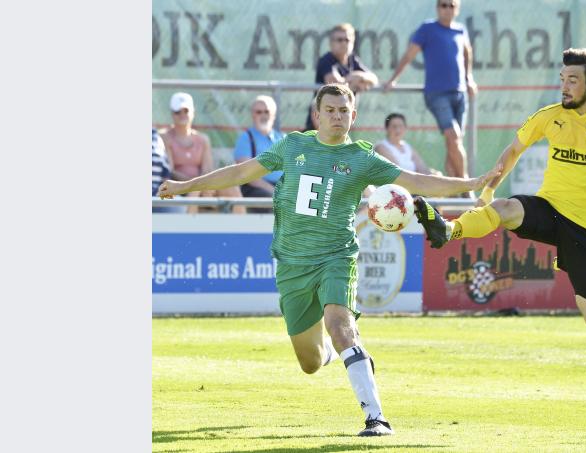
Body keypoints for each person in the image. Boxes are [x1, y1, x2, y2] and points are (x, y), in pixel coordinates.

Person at [158, 84, 499, 436]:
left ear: (353, 116)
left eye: (343, 110)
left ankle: (375, 417)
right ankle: (345, 353)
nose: (337, 116)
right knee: (310, 362)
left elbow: (416, 181)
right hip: (292, 265)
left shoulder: (362, 158)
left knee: (339, 325)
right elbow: (240, 173)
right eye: (330, 110)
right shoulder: (293, 146)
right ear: (316, 115)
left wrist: (472, 182)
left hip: (337, 257)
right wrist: (185, 186)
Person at [413, 48, 586, 329]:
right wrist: (488, 193)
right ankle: (447, 230)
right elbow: (513, 151)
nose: (564, 87)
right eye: (562, 79)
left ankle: (573, 262)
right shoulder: (549, 115)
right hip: (550, 209)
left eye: (572, 80)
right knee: (505, 208)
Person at [384, 0, 478, 181]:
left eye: (451, 5)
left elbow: (467, 53)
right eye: (444, 5)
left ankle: (453, 192)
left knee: (453, 143)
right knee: (454, 137)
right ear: (437, 8)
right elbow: (409, 55)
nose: (447, 9)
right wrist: (393, 79)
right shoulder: (427, 29)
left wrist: (469, 78)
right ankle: (466, 186)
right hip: (437, 93)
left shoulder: (460, 30)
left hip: (459, 93)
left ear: (457, 9)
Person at [160, 92, 245, 214]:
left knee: (232, 189)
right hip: (175, 188)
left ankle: (241, 230)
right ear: (172, 114)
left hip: (200, 185)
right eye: (177, 112)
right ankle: (188, 230)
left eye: (186, 111)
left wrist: (203, 185)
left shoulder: (203, 139)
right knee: (194, 191)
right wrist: (196, 185)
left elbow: (207, 169)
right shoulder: (164, 137)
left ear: (193, 112)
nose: (182, 115)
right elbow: (170, 172)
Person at [303, 23, 378, 131]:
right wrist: (354, 81)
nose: (344, 43)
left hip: (340, 123)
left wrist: (359, 76)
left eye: (347, 40)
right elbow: (335, 85)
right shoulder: (326, 60)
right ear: (331, 43)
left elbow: (373, 79)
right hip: (319, 125)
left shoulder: (353, 59)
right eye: (339, 40)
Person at [233, 95, 284, 213]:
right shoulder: (246, 138)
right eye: (259, 112)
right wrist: (276, 191)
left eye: (267, 111)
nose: (263, 115)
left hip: (281, 187)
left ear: (274, 115)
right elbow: (247, 174)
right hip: (256, 188)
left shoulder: (282, 138)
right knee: (272, 203)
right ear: (253, 115)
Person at [374, 113, 441, 176]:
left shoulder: (407, 147)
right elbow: (397, 173)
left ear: (405, 128)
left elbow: (422, 169)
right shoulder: (381, 147)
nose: (398, 130)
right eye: (394, 126)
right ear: (387, 129)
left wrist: (433, 175)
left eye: (400, 126)